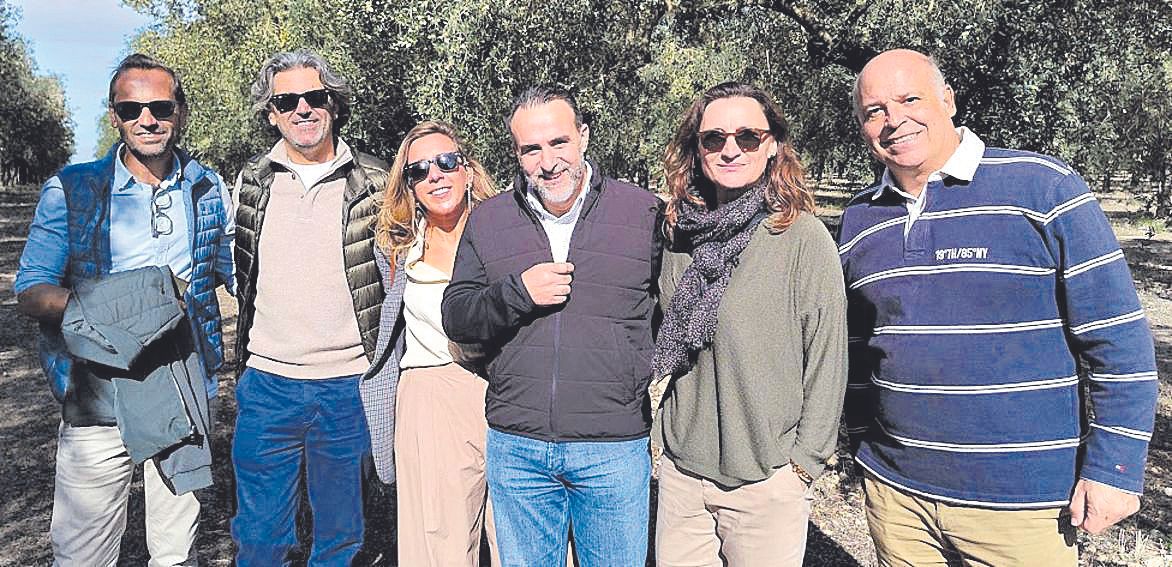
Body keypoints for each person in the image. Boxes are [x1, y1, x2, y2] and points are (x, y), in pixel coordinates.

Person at [839, 48, 1159, 565]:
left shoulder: (1043, 188)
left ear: (948, 99)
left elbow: (1118, 342)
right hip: (896, 497)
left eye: (909, 98)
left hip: (1025, 507)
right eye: (874, 110)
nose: (893, 119)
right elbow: (858, 346)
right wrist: (861, 443)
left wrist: (1114, 469)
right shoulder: (859, 220)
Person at [15, 53, 233, 566]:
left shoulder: (207, 189)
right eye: (131, 109)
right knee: (82, 553)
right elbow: (30, 291)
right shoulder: (72, 188)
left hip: (184, 384)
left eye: (160, 106)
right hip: (99, 388)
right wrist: (125, 307)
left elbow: (234, 270)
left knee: (177, 551)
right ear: (114, 115)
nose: (147, 119)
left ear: (180, 111)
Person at [441, 85, 663, 566]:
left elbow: (669, 308)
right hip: (518, 448)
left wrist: (633, 372)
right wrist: (518, 293)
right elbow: (457, 315)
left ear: (583, 136)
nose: (548, 161)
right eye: (531, 149)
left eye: (559, 142)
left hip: (613, 446)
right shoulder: (490, 219)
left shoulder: (642, 213)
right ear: (517, 155)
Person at [650, 81, 847, 566]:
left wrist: (803, 464)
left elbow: (827, 358)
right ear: (696, 149)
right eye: (713, 138)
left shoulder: (801, 236)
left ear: (773, 144)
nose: (730, 149)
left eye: (748, 137)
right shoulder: (679, 236)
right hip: (682, 476)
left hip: (767, 478)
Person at [230, 49, 389, 566]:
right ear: (271, 112)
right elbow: (242, 273)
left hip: (347, 386)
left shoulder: (375, 182)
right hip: (267, 384)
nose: (302, 109)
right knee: (259, 538)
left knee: (340, 538)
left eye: (314, 96)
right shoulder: (251, 182)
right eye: (287, 100)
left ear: (334, 105)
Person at [366, 120, 499, 566]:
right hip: (431, 394)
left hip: (509, 391)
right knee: (438, 545)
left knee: (524, 542)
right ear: (407, 186)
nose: (434, 176)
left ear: (466, 169)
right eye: (418, 171)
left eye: (445, 162)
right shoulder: (398, 250)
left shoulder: (508, 232)